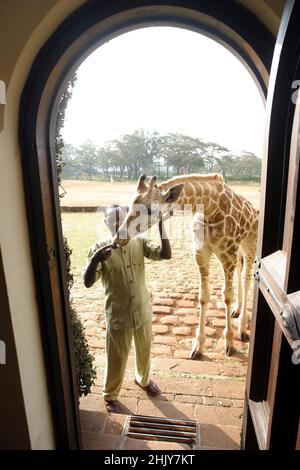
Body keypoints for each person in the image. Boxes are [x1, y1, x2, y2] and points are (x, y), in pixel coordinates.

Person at [83, 205, 172, 413]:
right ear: (106, 223)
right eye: (113, 220)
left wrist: (161, 225)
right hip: (118, 315)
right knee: (116, 357)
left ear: (128, 222)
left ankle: (143, 379)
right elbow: (88, 282)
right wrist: (95, 258)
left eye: (122, 219)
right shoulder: (99, 248)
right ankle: (110, 393)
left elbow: (165, 255)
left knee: (144, 351)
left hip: (142, 311)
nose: (118, 224)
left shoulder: (138, 242)